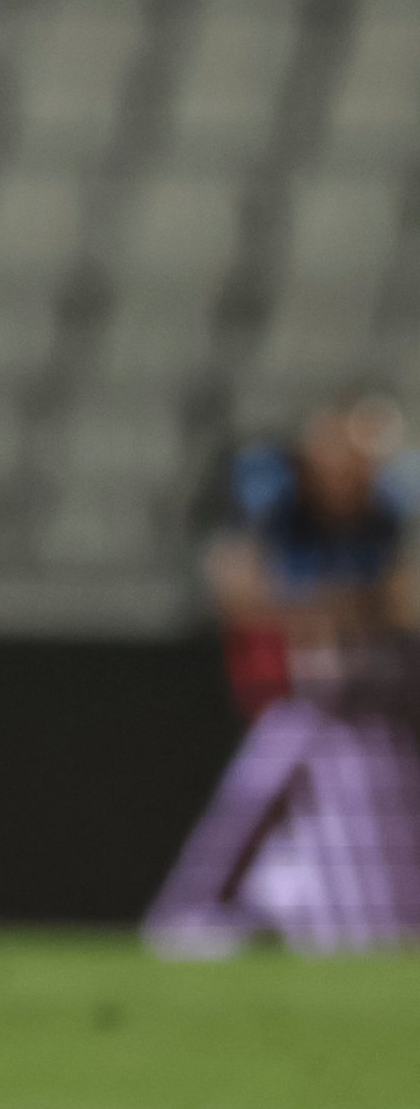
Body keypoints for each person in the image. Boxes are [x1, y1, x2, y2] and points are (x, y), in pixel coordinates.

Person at [143, 390, 420, 954]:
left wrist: (325, 610)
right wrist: (343, 609)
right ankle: (202, 912)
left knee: (372, 830)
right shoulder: (268, 489)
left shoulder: (395, 500)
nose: (353, 469)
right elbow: (238, 592)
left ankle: (278, 902)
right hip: (291, 700)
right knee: (253, 800)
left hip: (373, 710)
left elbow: (407, 602)